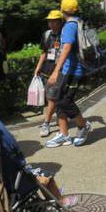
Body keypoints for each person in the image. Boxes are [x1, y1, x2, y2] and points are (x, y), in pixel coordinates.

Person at [45, 0, 92, 148]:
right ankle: (64, 134)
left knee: (64, 101)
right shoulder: (78, 22)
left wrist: (55, 71)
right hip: (69, 69)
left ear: (62, 9)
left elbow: (66, 48)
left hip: (72, 70)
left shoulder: (70, 26)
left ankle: (83, 126)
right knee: (59, 100)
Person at [34, 10, 64, 138]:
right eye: (49, 21)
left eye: (53, 21)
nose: (50, 23)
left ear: (60, 22)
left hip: (59, 71)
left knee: (52, 97)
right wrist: (37, 68)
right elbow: (44, 52)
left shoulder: (65, 35)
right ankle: (60, 116)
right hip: (47, 70)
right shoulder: (47, 35)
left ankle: (46, 123)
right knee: (50, 97)